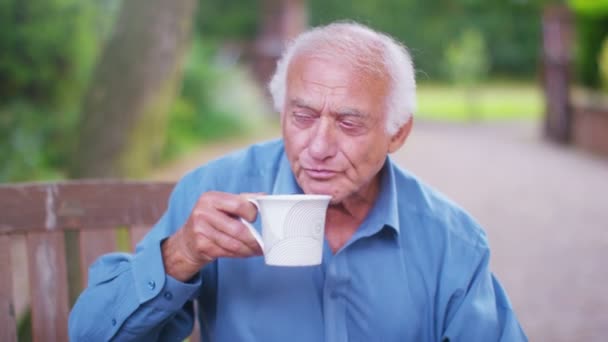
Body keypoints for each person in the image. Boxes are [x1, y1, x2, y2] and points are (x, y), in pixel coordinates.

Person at [69, 21, 527, 341]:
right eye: (302, 116)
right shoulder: (214, 191)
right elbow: (89, 334)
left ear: (397, 132)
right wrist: (182, 254)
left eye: (349, 124)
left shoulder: (452, 241)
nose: (319, 146)